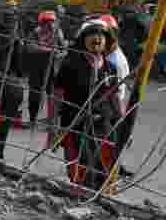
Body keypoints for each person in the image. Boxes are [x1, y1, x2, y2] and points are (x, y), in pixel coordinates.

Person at [52, 19, 121, 189]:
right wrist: (53, 127)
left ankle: (98, 197)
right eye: (92, 35)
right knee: (80, 167)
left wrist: (121, 122)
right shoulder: (70, 64)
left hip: (103, 124)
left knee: (104, 167)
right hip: (75, 123)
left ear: (107, 41)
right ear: (83, 40)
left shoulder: (111, 68)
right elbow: (57, 96)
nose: (97, 38)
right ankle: (79, 196)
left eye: (101, 35)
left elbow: (114, 97)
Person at [100, 14, 135, 179]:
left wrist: (121, 116)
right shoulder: (108, 53)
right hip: (108, 102)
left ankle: (113, 168)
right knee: (108, 137)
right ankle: (112, 167)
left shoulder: (115, 59)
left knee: (111, 137)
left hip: (112, 102)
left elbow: (117, 90)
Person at [24, 11, 67, 127]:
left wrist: (59, 54)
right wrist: (49, 50)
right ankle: (32, 119)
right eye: (47, 22)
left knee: (52, 95)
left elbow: (64, 50)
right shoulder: (34, 33)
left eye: (52, 22)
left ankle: (52, 121)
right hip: (36, 68)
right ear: (41, 23)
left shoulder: (58, 33)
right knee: (34, 94)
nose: (49, 25)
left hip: (52, 68)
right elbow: (30, 47)